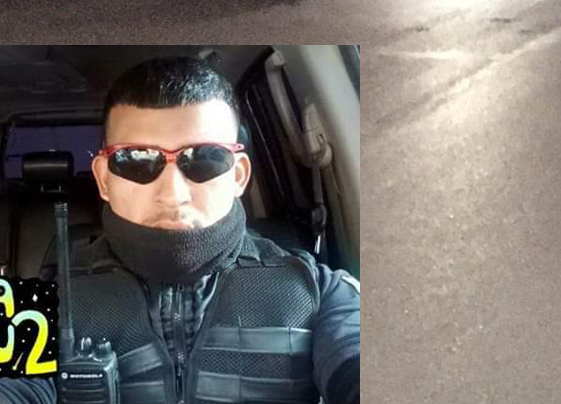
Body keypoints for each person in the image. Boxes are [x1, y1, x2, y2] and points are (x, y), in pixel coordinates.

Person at [0, 57, 362, 404]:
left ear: (238, 175)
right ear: (104, 179)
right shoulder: (46, 305)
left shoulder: (317, 292)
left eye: (205, 158)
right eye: (137, 160)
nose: (173, 194)